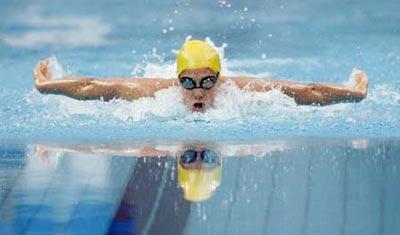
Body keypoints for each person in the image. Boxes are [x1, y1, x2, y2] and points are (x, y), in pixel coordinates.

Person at [33, 40, 368, 113]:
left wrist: (353, 93)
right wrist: (47, 87)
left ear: (219, 79)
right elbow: (92, 86)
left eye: (207, 81)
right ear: (177, 79)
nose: (198, 91)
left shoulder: (238, 92)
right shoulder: (153, 94)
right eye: (188, 82)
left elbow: (304, 91)